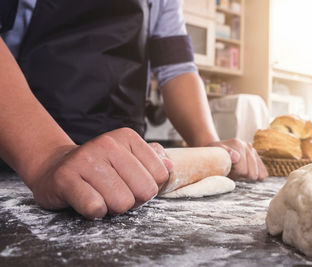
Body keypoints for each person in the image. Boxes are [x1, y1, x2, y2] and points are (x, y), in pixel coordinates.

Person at [0, 0, 268, 219]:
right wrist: (47, 155)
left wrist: (209, 145)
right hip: (23, 153)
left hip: (130, 172)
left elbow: (177, 69)